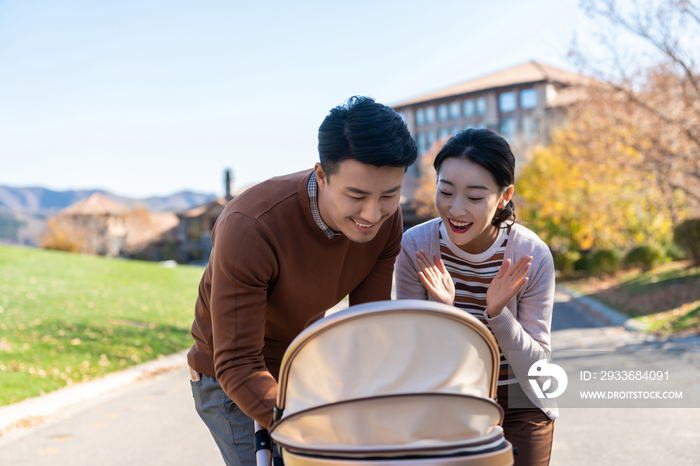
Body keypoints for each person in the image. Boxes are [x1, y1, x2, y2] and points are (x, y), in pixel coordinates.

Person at [188, 96, 417, 466]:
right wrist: (313, 429)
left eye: (389, 195)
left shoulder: (387, 222)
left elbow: (367, 329)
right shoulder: (251, 227)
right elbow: (237, 362)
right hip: (229, 377)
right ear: (322, 175)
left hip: (303, 367)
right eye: (356, 196)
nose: (372, 214)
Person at [394, 128, 557, 466]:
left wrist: (498, 315)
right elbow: (409, 356)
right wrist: (444, 313)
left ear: (504, 196)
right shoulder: (416, 247)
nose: (456, 209)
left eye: (474, 197)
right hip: (450, 396)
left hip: (521, 397)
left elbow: (538, 367)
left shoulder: (531, 255)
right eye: (446, 191)